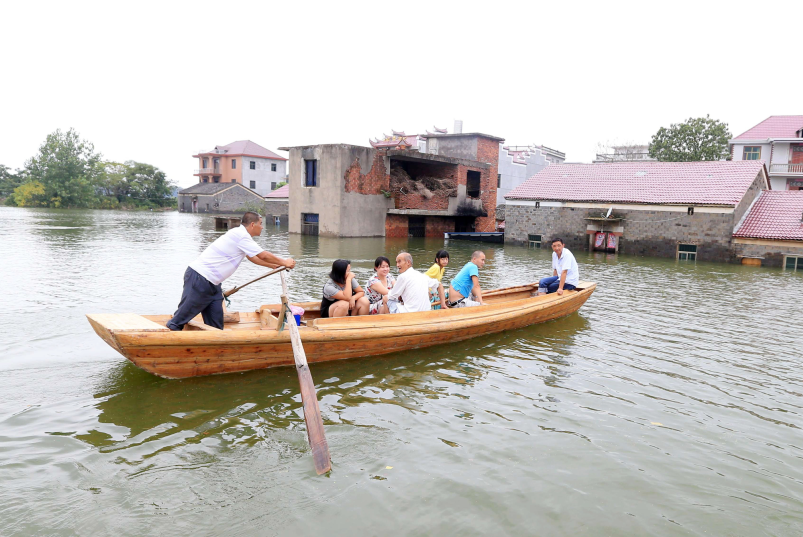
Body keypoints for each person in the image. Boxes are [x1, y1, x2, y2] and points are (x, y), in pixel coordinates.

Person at [166, 212, 296, 330]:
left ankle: (216, 349)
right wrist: (285, 262)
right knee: (180, 319)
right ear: (252, 224)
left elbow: (253, 257)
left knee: (215, 324)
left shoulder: (241, 236)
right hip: (200, 278)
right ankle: (168, 339)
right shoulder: (241, 235)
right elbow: (263, 255)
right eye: (260, 224)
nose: (262, 227)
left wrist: (273, 266)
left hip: (213, 284)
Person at [382, 252, 447, 313]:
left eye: (399, 262)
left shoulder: (402, 276)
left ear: (408, 262)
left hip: (410, 313)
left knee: (385, 298)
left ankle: (390, 321)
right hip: (426, 312)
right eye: (396, 262)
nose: (397, 265)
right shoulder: (421, 275)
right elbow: (439, 285)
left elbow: (392, 295)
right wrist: (443, 304)